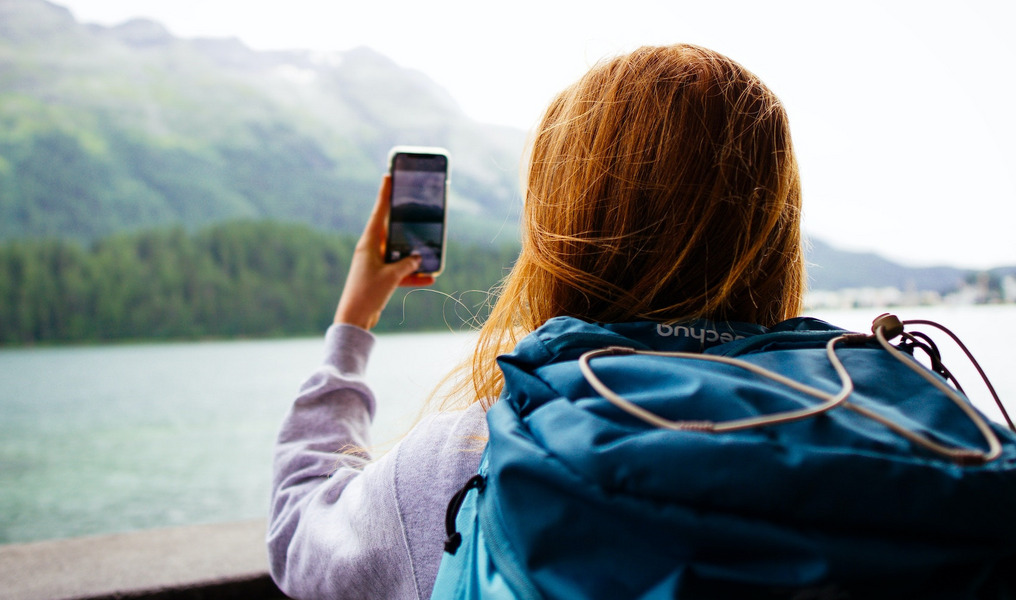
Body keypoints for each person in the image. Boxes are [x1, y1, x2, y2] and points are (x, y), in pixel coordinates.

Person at [267, 43, 805, 600]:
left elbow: (299, 533)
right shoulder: (868, 421)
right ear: (776, 230)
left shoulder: (475, 456)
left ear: (564, 228)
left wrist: (351, 327)